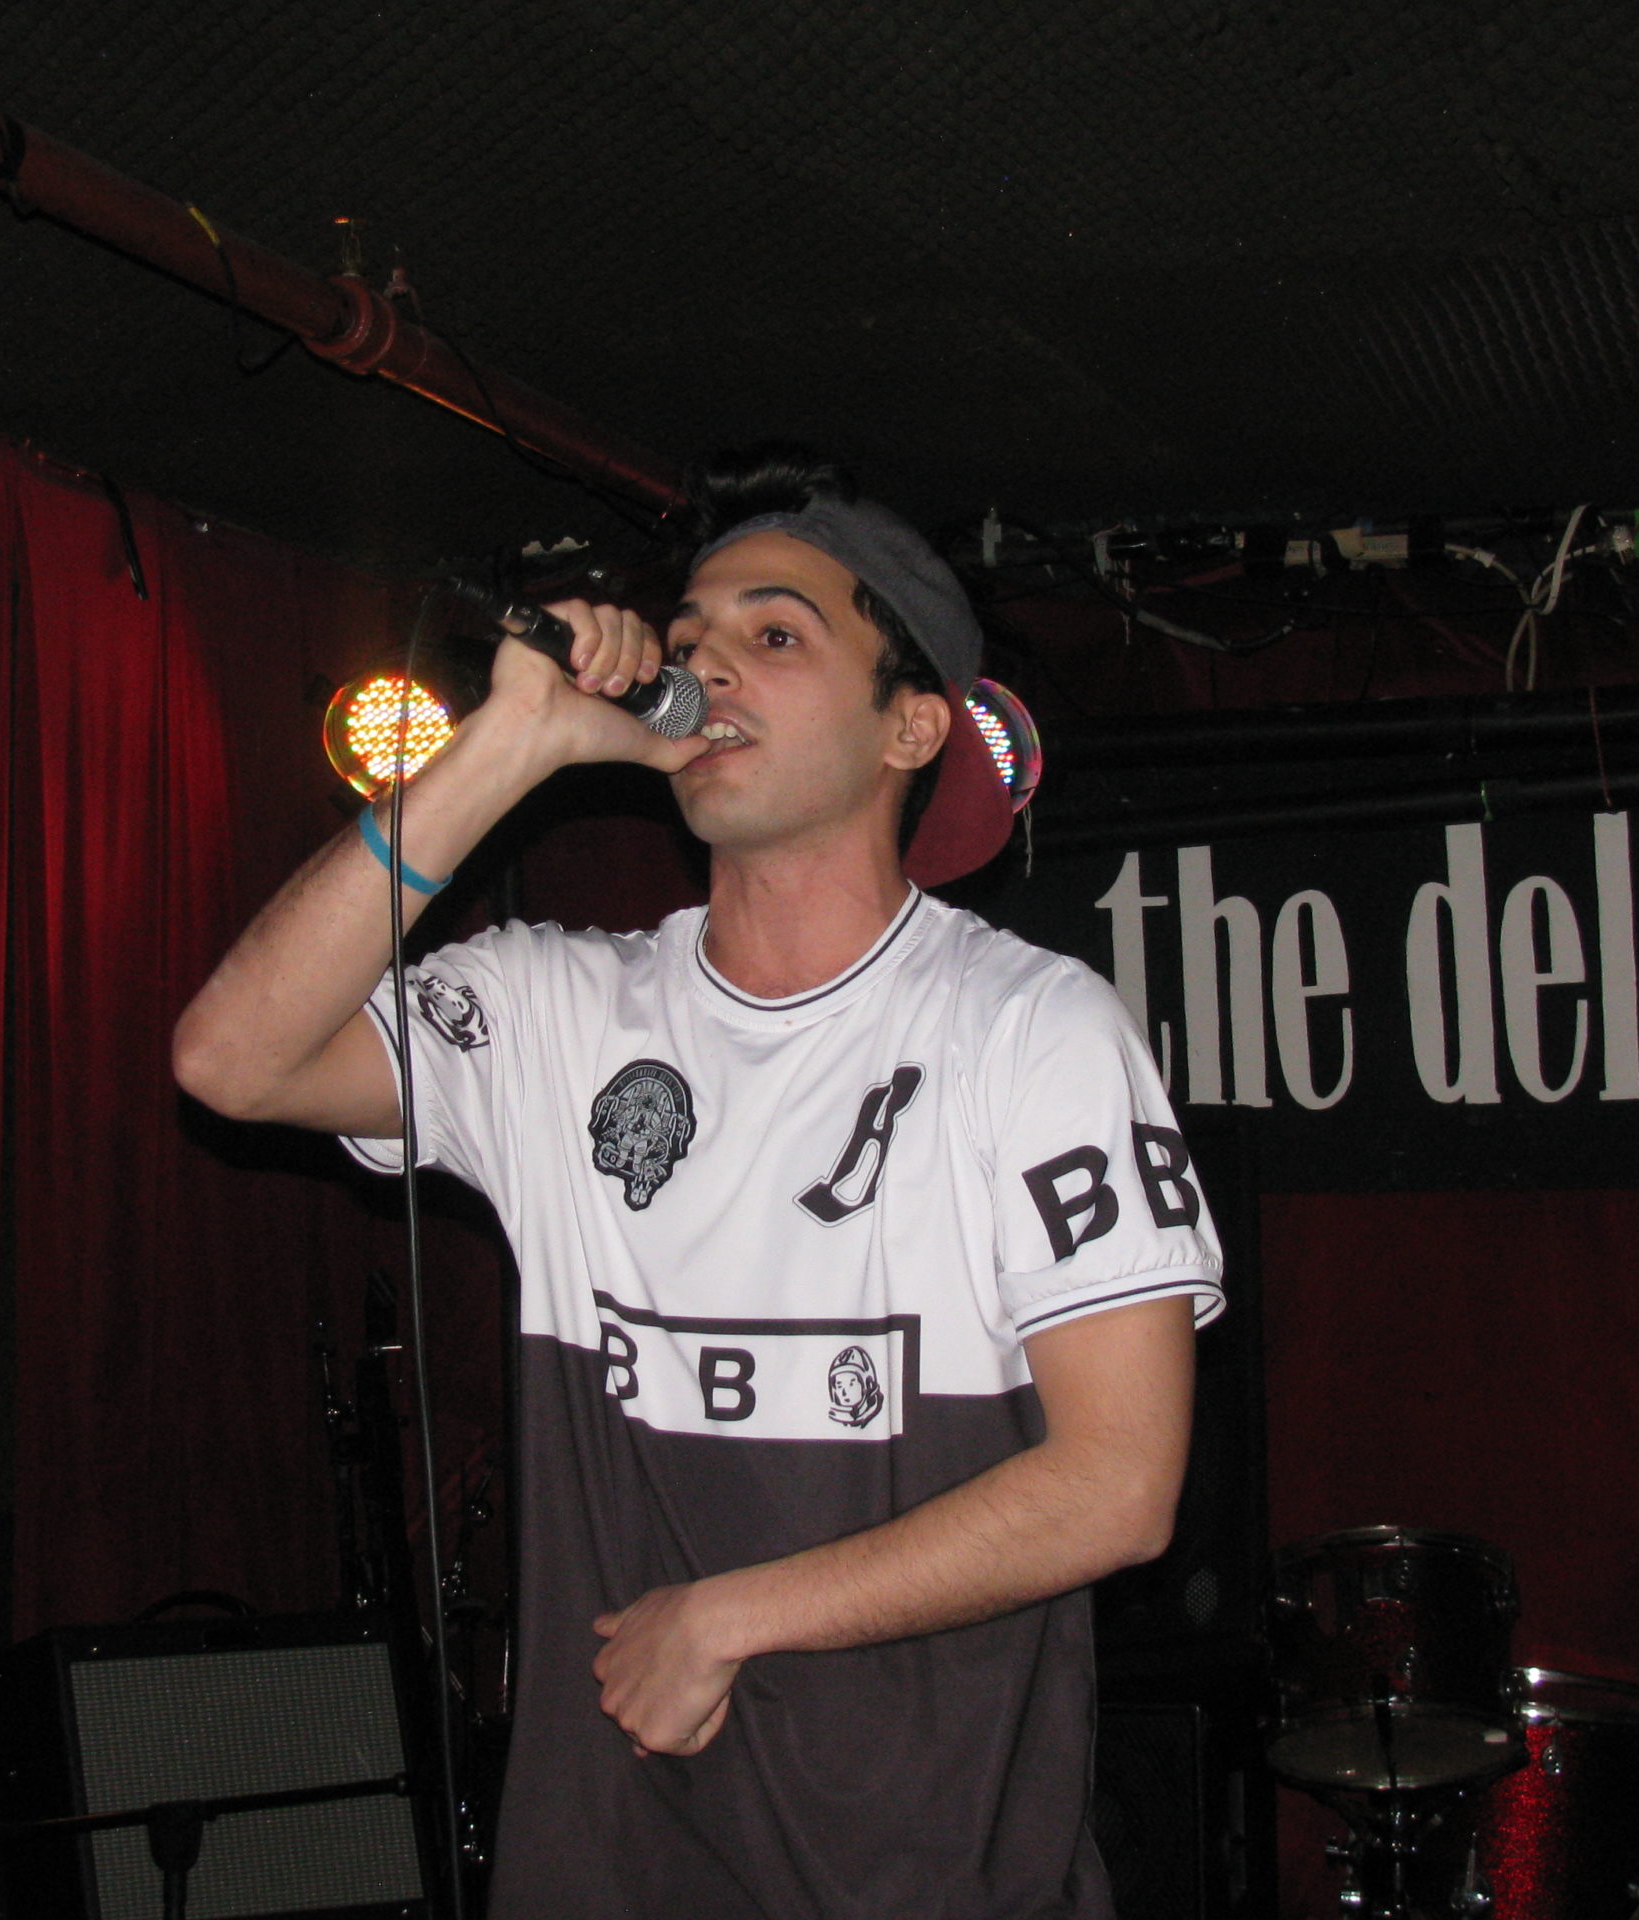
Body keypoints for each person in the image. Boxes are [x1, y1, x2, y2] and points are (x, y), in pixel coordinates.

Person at [173, 447, 1223, 1919]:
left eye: (775, 634)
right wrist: (507, 746)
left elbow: (1118, 1486)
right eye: (689, 635)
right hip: (606, 1871)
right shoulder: (558, 1008)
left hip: (924, 1879)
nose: (706, 662)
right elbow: (231, 1059)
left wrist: (732, 1618)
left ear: (910, 723)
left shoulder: (1028, 1028)